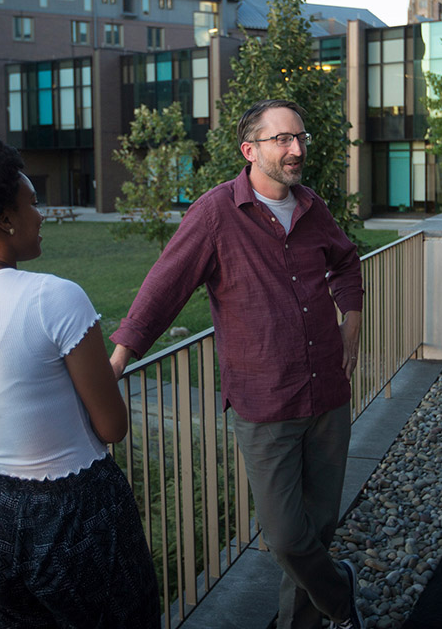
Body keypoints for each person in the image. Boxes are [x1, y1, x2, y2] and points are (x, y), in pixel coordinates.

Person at [110, 99, 364, 629]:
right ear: (249, 150)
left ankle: (309, 623)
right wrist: (120, 357)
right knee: (285, 537)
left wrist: (353, 317)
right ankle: (340, 594)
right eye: (282, 140)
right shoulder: (216, 212)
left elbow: (344, 260)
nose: (296, 149)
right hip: (265, 402)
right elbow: (164, 287)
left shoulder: (313, 208)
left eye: (300, 138)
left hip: (328, 395)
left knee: (318, 528)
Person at [0, 138, 159, 629]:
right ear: (4, 219)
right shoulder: (54, 298)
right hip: (82, 515)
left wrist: (8, 424)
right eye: (31, 202)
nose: (41, 215)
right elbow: (111, 425)